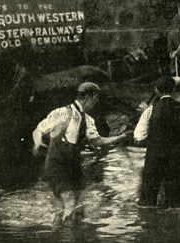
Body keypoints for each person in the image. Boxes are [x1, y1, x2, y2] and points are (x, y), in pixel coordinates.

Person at [32, 82, 133, 223]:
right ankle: (68, 234)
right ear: (87, 97)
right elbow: (39, 130)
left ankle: (64, 230)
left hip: (73, 166)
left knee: (77, 205)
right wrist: (38, 143)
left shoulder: (88, 119)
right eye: (95, 98)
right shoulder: (61, 113)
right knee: (70, 201)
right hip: (57, 164)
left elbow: (98, 141)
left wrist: (120, 137)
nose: (96, 102)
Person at [134, 76, 180, 207]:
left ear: (157, 90)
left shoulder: (150, 110)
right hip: (175, 156)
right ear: (172, 90)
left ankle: (149, 222)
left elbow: (138, 136)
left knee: (148, 200)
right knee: (176, 201)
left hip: (154, 156)